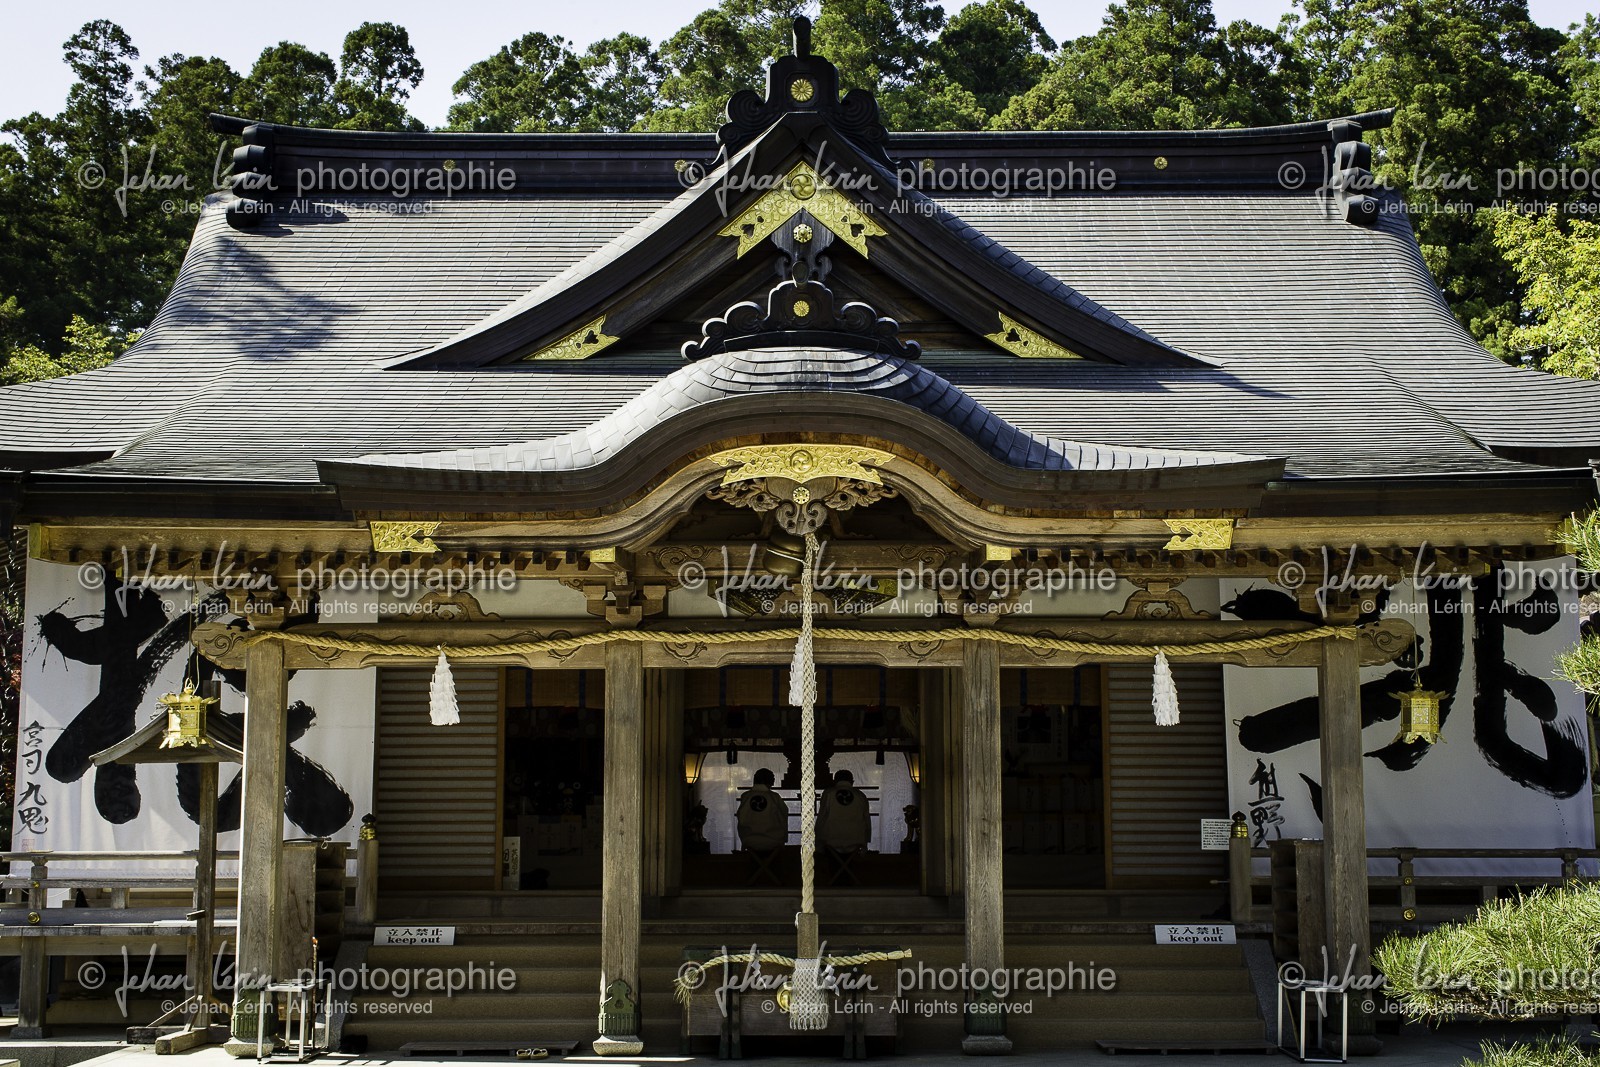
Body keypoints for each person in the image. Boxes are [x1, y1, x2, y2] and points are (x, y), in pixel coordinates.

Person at [817, 769, 872, 853]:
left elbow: (822, 818)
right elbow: (867, 820)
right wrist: (866, 841)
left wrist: (818, 840)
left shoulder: (828, 793)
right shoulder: (860, 795)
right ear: (852, 781)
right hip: (856, 843)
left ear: (834, 781)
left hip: (831, 842)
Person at [735, 768, 790, 852]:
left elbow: (741, 818)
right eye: (773, 778)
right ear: (769, 781)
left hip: (749, 840)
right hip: (773, 841)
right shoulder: (774, 797)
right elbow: (784, 814)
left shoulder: (745, 796)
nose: (774, 781)